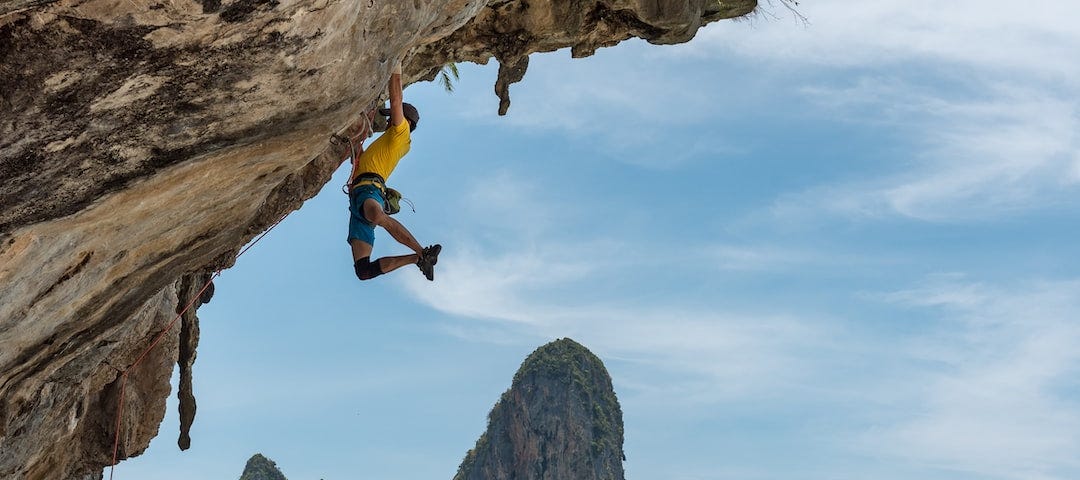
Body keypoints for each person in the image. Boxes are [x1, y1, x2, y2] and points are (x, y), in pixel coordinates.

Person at [346, 60, 441, 281]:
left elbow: (396, 99)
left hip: (370, 190)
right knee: (364, 271)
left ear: (404, 121)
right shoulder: (391, 141)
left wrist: (395, 65)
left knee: (378, 216)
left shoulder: (401, 133)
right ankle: (418, 259)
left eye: (391, 118)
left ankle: (422, 252)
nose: (388, 120)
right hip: (358, 198)